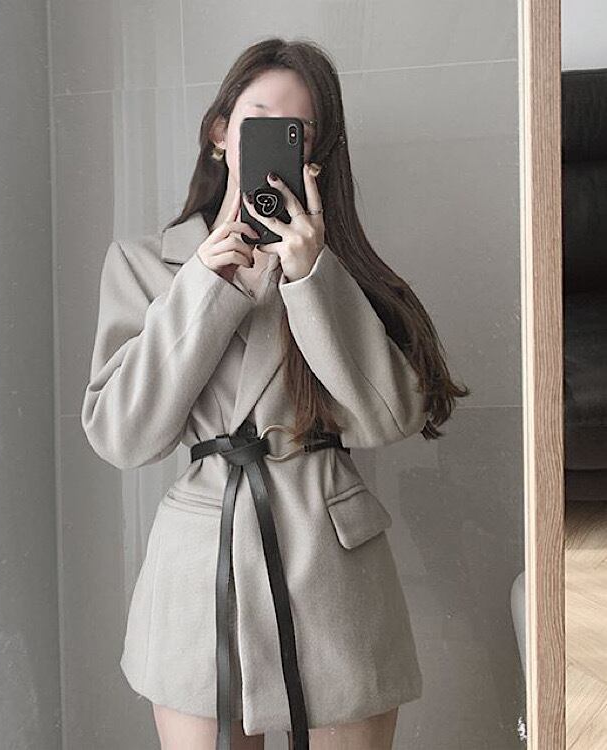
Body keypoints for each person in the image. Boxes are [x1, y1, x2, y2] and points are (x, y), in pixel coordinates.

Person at [82, 37, 469, 750]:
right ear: (220, 133)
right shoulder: (144, 265)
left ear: (313, 159)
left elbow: (391, 417)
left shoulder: (343, 273)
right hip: (203, 569)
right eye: (258, 122)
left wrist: (314, 278)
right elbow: (121, 435)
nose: (274, 145)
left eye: (298, 133)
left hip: (331, 566)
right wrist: (203, 286)